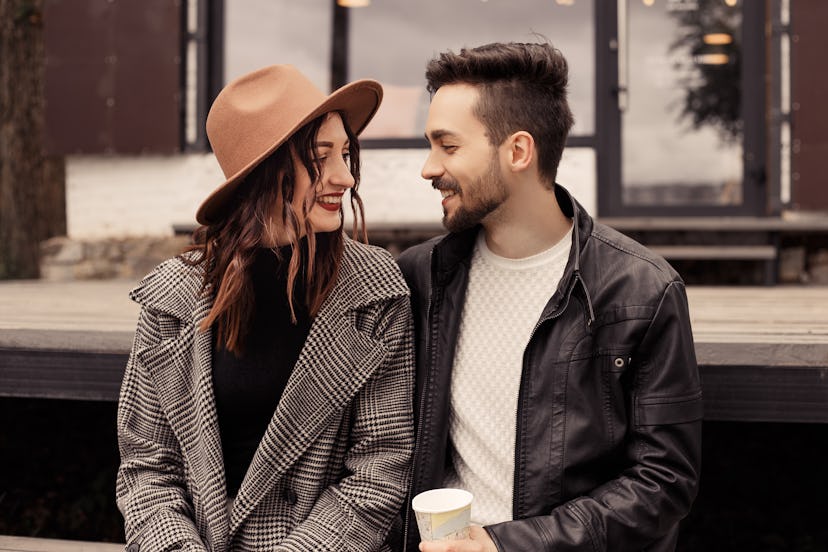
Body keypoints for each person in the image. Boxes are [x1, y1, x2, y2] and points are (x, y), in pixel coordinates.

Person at [396, 42, 703, 551]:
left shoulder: (642, 289)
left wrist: (507, 545)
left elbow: (663, 482)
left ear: (517, 151)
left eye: (447, 147)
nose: (428, 168)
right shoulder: (421, 277)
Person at [116, 65, 415, 551]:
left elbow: (380, 468)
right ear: (264, 171)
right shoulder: (171, 296)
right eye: (321, 157)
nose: (346, 176)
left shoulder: (373, 292)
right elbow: (147, 467)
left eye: (345, 153)